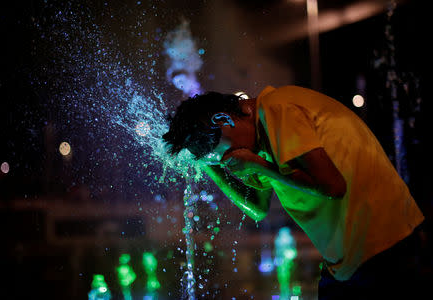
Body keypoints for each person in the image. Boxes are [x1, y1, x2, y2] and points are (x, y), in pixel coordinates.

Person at [162, 85, 426, 299]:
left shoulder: (278, 108)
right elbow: (257, 207)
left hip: (385, 250)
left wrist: (262, 167)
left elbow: (333, 186)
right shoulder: (262, 141)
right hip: (350, 264)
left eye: (225, 153)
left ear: (225, 119)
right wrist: (211, 165)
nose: (230, 159)